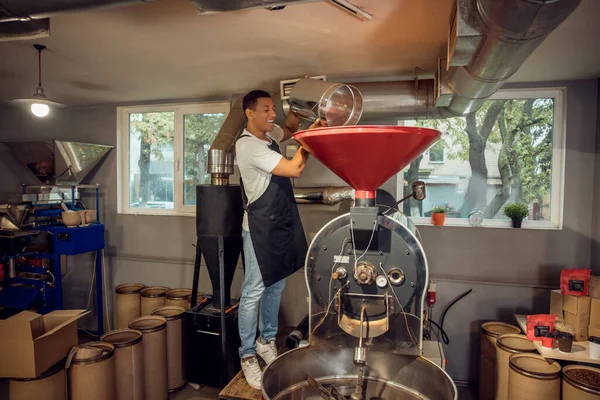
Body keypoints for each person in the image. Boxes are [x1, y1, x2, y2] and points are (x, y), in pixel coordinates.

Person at [235, 90, 326, 389]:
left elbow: (287, 129)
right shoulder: (248, 145)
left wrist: (300, 104)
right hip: (259, 229)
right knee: (253, 291)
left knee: (276, 285)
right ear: (250, 113)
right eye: (265, 109)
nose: (271, 114)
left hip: (279, 224)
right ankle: (247, 355)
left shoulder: (268, 133)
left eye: (273, 108)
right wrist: (309, 140)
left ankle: (266, 340)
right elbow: (293, 168)